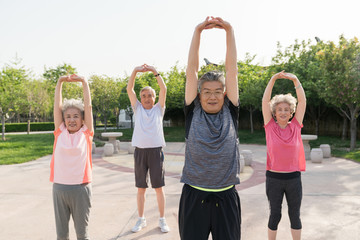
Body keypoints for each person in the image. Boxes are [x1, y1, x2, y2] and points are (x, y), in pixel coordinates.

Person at [179, 17, 241, 240]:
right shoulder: (193, 110)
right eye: (207, 91)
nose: (212, 96)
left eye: (217, 91)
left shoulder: (230, 110)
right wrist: (198, 32)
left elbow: (231, 70)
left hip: (226, 196)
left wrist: (229, 31)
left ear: (224, 94)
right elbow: (191, 71)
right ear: (199, 94)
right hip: (194, 196)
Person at [262, 71, 306, 240]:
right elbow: (265, 101)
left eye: (286, 109)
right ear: (274, 112)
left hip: (294, 178)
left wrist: (296, 80)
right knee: (275, 215)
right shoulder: (269, 127)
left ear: (291, 112)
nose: (283, 112)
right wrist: (273, 79)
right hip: (274, 178)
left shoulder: (295, 126)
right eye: (279, 109)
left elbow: (302, 101)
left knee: (295, 215)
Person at [126, 64, 170, 233]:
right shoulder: (137, 109)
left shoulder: (159, 109)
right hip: (140, 153)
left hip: (156, 152)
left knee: (159, 188)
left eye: (149, 95)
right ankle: (141, 219)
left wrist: (153, 70)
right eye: (143, 96)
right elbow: (130, 89)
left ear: (154, 97)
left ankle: (162, 219)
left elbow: (163, 88)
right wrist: (135, 71)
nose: (146, 98)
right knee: (141, 188)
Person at [50, 74, 94, 240]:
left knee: (82, 235)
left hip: (80, 189)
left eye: (76, 116)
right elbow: (57, 107)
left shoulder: (86, 134)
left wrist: (84, 82)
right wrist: (59, 82)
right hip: (59, 188)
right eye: (68, 116)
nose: (71, 119)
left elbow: (88, 106)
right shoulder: (60, 132)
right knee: (61, 235)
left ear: (82, 120)